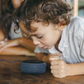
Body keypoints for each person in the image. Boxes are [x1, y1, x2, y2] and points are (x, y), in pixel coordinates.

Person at [13, 0, 84, 78]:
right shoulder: (45, 40)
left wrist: (69, 70)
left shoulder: (79, 29)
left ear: (60, 24)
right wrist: (45, 58)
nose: (34, 42)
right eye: (31, 37)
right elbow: (38, 53)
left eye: (39, 36)